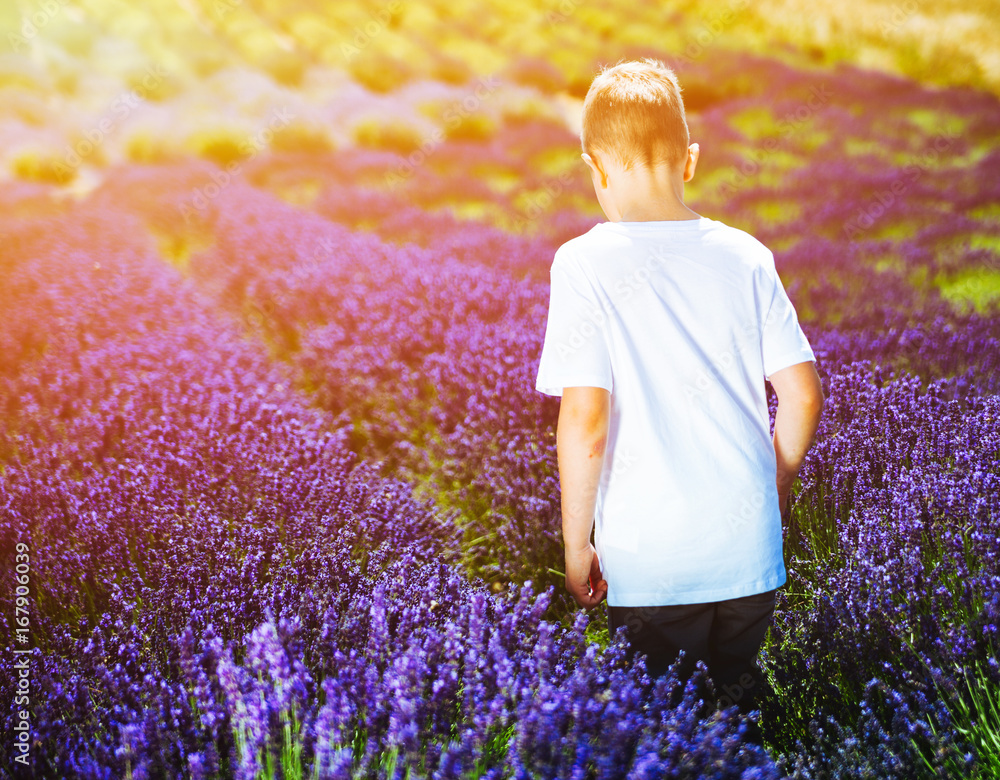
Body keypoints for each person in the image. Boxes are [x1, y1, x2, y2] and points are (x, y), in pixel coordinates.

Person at [534, 58, 825, 739]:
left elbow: (584, 420)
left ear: (594, 167)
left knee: (668, 732)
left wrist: (577, 543)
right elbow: (803, 395)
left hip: (654, 558)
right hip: (749, 555)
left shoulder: (583, 263)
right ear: (689, 161)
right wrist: (774, 481)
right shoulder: (746, 255)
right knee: (737, 715)